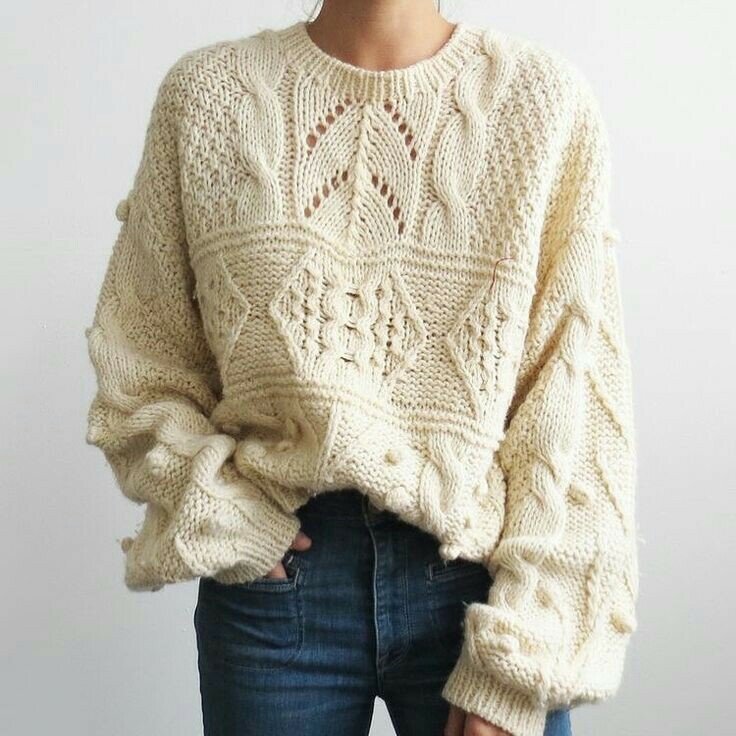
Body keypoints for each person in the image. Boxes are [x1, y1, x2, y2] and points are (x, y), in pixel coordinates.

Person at [83, 1, 639, 735]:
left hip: (480, 583)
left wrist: (521, 657)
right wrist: (221, 515)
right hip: (279, 591)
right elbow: (141, 360)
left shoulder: (542, 102)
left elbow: (575, 404)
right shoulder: (208, 96)